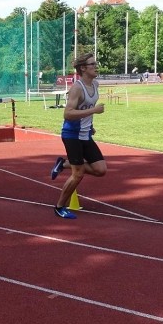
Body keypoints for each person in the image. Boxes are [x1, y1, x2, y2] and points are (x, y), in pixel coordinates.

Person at [49, 52, 107, 219]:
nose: (96, 67)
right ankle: (59, 207)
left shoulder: (95, 84)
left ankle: (63, 164)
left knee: (100, 170)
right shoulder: (76, 88)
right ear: (83, 68)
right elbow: (68, 114)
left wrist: (91, 125)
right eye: (92, 64)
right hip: (72, 135)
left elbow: (85, 108)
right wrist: (94, 110)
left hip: (85, 134)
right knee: (78, 174)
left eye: (96, 64)